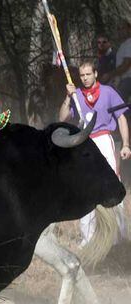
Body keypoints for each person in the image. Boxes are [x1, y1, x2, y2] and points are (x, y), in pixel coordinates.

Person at [59, 61, 131, 246]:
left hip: (104, 139)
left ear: (95, 74)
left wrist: (126, 144)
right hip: (85, 142)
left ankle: (120, 235)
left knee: (112, 185)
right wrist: (68, 97)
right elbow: (62, 118)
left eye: (88, 74)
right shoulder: (77, 96)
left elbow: (121, 118)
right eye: (82, 75)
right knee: (85, 188)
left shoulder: (108, 92)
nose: (85, 78)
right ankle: (88, 237)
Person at [103, 21, 131, 102]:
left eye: (123, 28)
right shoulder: (123, 44)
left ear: (129, 29)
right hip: (123, 79)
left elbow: (126, 64)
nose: (120, 31)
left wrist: (109, 75)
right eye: (118, 29)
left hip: (128, 79)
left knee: (117, 103)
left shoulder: (130, 42)